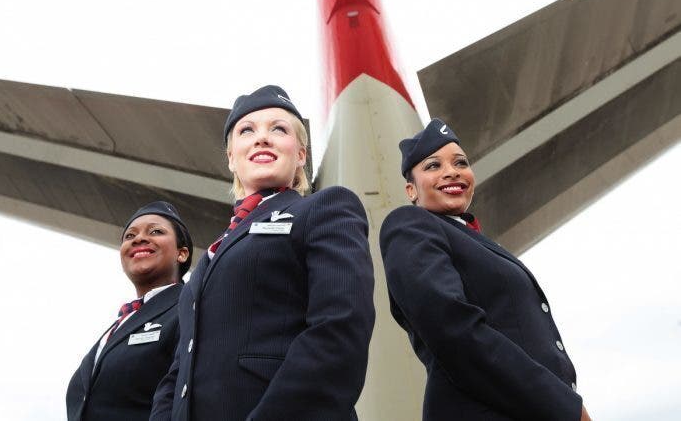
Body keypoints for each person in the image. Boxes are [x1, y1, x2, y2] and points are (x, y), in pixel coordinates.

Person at [150, 85, 375, 421]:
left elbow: (339, 328)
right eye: (247, 131)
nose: (262, 139)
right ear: (231, 158)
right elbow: (179, 370)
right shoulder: (212, 255)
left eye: (278, 129)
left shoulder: (324, 208)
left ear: (301, 154)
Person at [379, 118, 592, 421]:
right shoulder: (410, 225)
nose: (451, 171)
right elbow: (454, 331)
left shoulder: (472, 240)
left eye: (460, 163)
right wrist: (567, 407)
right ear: (411, 190)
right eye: (433, 166)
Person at [66, 201, 193, 421]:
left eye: (156, 231)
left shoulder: (189, 307)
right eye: (129, 236)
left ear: (181, 254)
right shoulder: (118, 325)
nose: (138, 239)